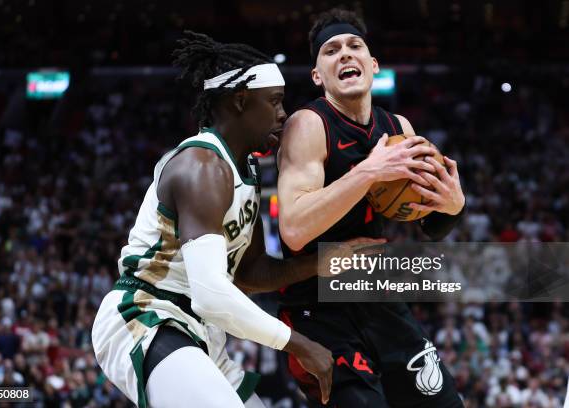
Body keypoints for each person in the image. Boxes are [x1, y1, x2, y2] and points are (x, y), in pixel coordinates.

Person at [91, 31, 342, 408]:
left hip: (199, 330)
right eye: (274, 102)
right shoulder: (203, 167)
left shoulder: (247, 168)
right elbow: (210, 294)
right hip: (146, 314)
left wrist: (323, 264)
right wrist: (300, 345)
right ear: (240, 101)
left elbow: (251, 273)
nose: (282, 113)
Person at [275, 9, 466, 408]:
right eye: (331, 50)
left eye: (354, 46)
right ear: (317, 75)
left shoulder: (400, 128)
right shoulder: (307, 124)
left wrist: (452, 207)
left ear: (373, 64)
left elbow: (431, 226)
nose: (345, 54)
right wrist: (368, 171)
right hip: (318, 303)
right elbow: (293, 228)